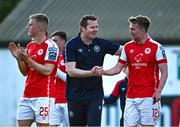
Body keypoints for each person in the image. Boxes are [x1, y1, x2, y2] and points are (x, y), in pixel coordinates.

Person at [103, 15, 168, 127]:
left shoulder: (157, 47)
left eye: (133, 29)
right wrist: (102, 72)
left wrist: (158, 91)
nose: (130, 32)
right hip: (131, 97)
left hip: (149, 97)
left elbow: (164, 72)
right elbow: (117, 68)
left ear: (142, 30)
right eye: (130, 28)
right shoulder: (127, 47)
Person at [64, 15, 122, 126]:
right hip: (75, 96)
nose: (95, 30)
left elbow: (125, 51)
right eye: (92, 27)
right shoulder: (71, 45)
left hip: (95, 95)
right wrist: (92, 73)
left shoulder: (101, 43)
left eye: (97, 27)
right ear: (82, 28)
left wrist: (144, 40)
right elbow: (71, 71)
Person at [8, 13, 59, 126]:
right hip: (27, 95)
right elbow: (25, 72)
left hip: (44, 96)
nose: (28, 27)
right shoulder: (30, 46)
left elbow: (47, 71)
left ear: (40, 27)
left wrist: (28, 60)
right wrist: (19, 59)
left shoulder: (51, 46)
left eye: (30, 25)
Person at [49, 30, 69, 126]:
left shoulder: (69, 58)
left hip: (67, 101)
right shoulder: (50, 58)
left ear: (62, 41)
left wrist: (55, 70)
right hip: (52, 100)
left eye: (55, 40)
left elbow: (70, 79)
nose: (52, 43)